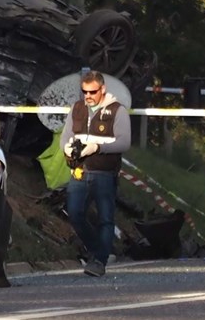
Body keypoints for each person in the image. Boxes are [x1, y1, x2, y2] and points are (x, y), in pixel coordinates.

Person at [59, 70, 131, 277]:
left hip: (105, 172)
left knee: (106, 219)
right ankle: (98, 251)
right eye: (84, 92)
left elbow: (124, 142)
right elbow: (66, 137)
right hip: (80, 170)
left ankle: (99, 262)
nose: (88, 96)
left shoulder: (118, 111)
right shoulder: (77, 109)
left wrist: (97, 147)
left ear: (102, 89)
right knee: (74, 213)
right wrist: (67, 148)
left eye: (92, 92)